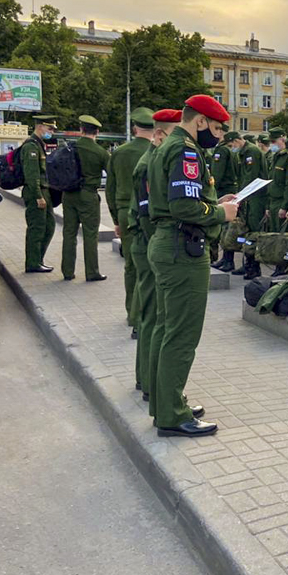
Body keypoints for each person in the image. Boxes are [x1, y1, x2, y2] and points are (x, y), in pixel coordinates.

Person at [146, 95, 237, 438]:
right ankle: (172, 415)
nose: (217, 136)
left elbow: (182, 198)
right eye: (215, 128)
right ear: (199, 121)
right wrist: (220, 214)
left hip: (168, 244)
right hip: (182, 249)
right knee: (181, 335)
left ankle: (165, 401)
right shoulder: (185, 150)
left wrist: (216, 201)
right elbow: (184, 206)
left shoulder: (167, 145)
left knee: (165, 328)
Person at [131, 109, 179, 398]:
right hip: (148, 241)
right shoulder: (150, 162)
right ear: (159, 134)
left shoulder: (156, 158)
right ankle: (149, 384)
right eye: (177, 133)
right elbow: (148, 216)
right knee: (152, 316)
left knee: (153, 316)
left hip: (147, 241)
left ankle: (147, 380)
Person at [105, 108, 155, 330]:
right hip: (150, 213)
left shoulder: (119, 152)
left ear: (134, 128)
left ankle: (131, 313)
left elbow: (110, 188)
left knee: (131, 266)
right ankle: (143, 314)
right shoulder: (158, 152)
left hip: (125, 212)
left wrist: (116, 219)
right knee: (148, 266)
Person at [60, 115, 111, 282]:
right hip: (89, 195)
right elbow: (112, 175)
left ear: (81, 130)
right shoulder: (101, 152)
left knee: (69, 233)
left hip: (68, 194)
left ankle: (67, 271)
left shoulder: (70, 147)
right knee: (90, 234)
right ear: (97, 131)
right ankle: (92, 272)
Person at [21, 115, 57, 273]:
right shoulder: (31, 146)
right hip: (36, 192)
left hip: (44, 191)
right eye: (50, 128)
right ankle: (33, 263)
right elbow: (32, 175)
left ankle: (38, 259)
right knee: (37, 228)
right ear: (40, 126)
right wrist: (38, 196)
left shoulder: (39, 144)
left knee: (49, 226)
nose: (51, 132)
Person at [232, 131, 267, 280]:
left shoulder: (251, 151)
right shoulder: (244, 152)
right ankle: (248, 264)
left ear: (237, 141)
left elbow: (250, 177)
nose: (232, 147)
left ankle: (254, 268)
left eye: (232, 144)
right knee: (247, 232)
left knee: (253, 232)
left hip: (255, 197)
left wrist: (241, 195)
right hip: (249, 197)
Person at [210, 130, 241, 272]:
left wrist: (211, 191)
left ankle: (227, 260)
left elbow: (217, 174)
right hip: (228, 189)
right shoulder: (228, 150)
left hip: (222, 191)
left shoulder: (221, 151)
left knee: (224, 228)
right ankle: (226, 259)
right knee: (227, 228)